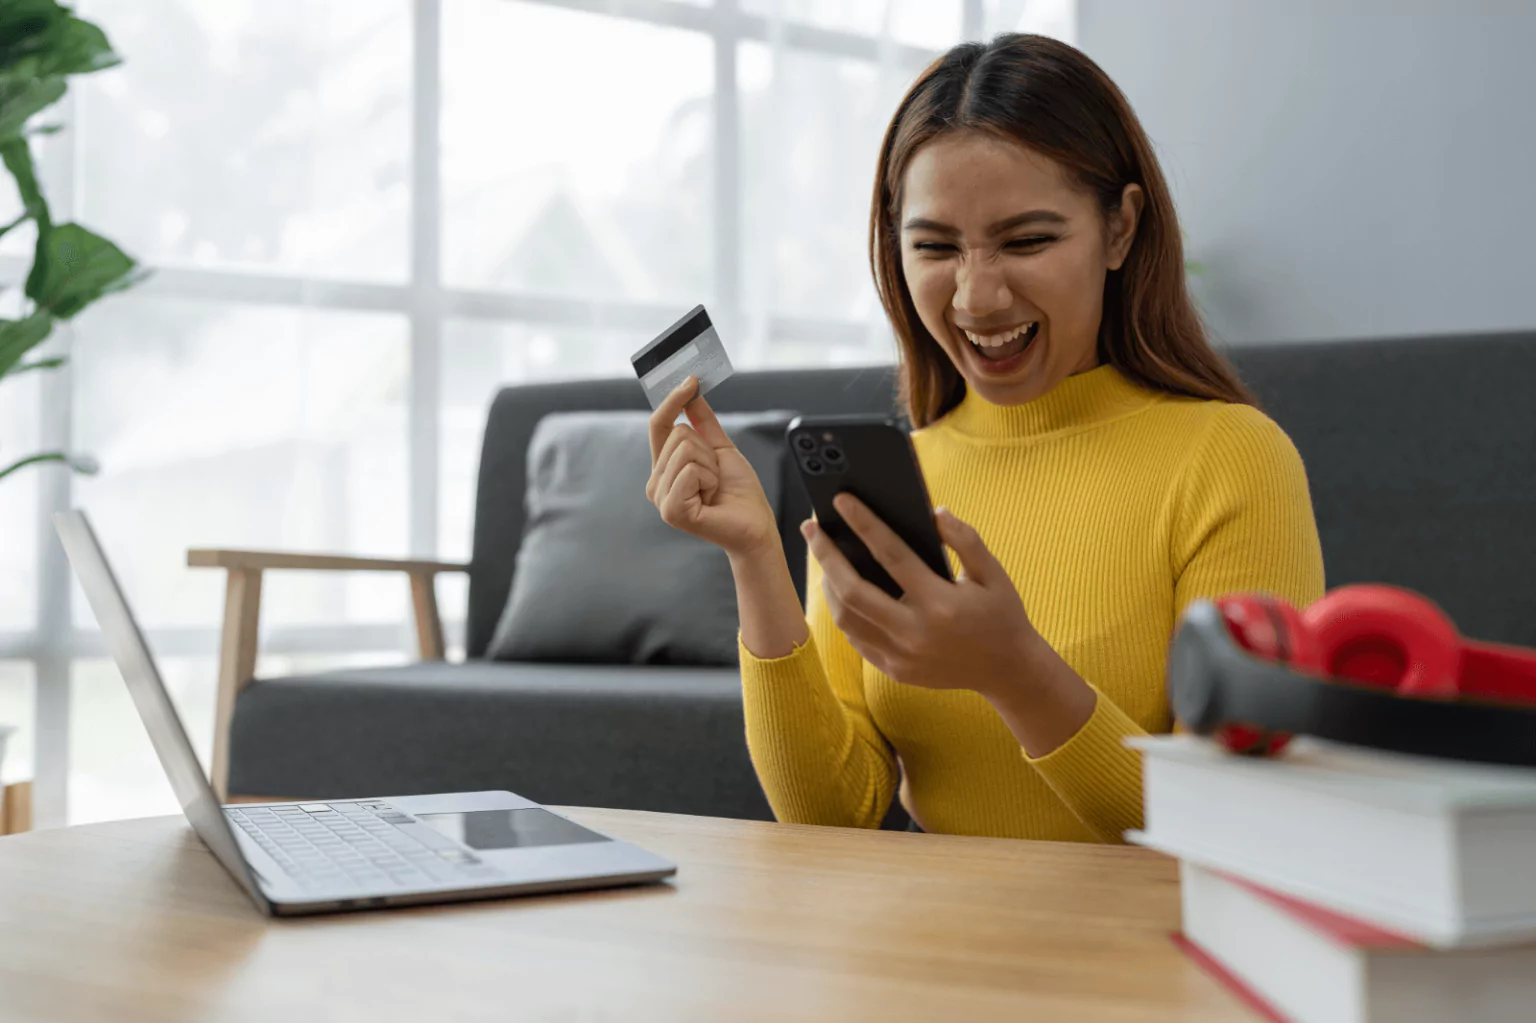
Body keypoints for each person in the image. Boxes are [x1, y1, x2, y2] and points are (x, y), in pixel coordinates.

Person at [644, 34, 1324, 842]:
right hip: (934, 949)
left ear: (1120, 229)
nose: (977, 294)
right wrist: (754, 558)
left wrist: (1015, 673)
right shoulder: (897, 477)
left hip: (1151, 957)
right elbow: (833, 813)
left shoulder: (1232, 458)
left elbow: (1237, 824)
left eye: (1028, 240)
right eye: (934, 246)